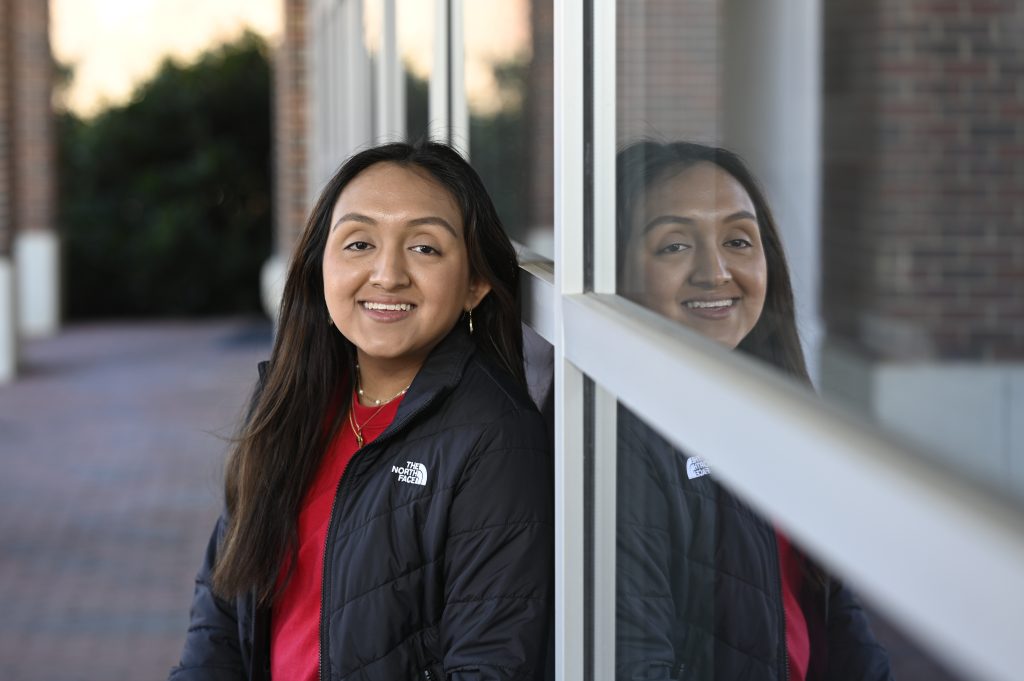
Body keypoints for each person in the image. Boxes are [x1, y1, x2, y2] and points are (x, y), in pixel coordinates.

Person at [170, 141, 553, 681]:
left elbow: (491, 663)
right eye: (359, 243)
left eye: (425, 248)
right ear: (318, 266)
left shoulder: (496, 438)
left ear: (475, 284)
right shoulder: (291, 400)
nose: (387, 274)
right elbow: (221, 604)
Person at [614, 140, 892, 680]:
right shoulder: (621, 437)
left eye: (738, 240)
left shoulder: (772, 407)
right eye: (673, 246)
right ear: (617, 272)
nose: (715, 272)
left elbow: (838, 616)